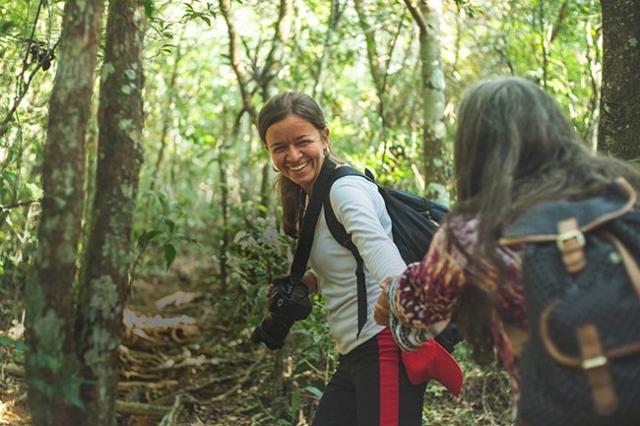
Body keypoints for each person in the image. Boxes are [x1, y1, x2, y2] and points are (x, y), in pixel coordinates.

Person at [374, 76, 640, 418]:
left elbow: (418, 308)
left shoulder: (475, 231)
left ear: (473, 149)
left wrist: (393, 289)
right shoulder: (622, 191)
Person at [257, 91, 428, 426]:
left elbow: (376, 246)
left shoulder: (343, 190)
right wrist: (307, 283)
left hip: (384, 348)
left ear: (324, 137)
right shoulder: (313, 195)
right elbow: (350, 258)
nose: (292, 155)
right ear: (269, 151)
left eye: (302, 141)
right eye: (280, 147)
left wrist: (397, 293)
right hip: (357, 355)